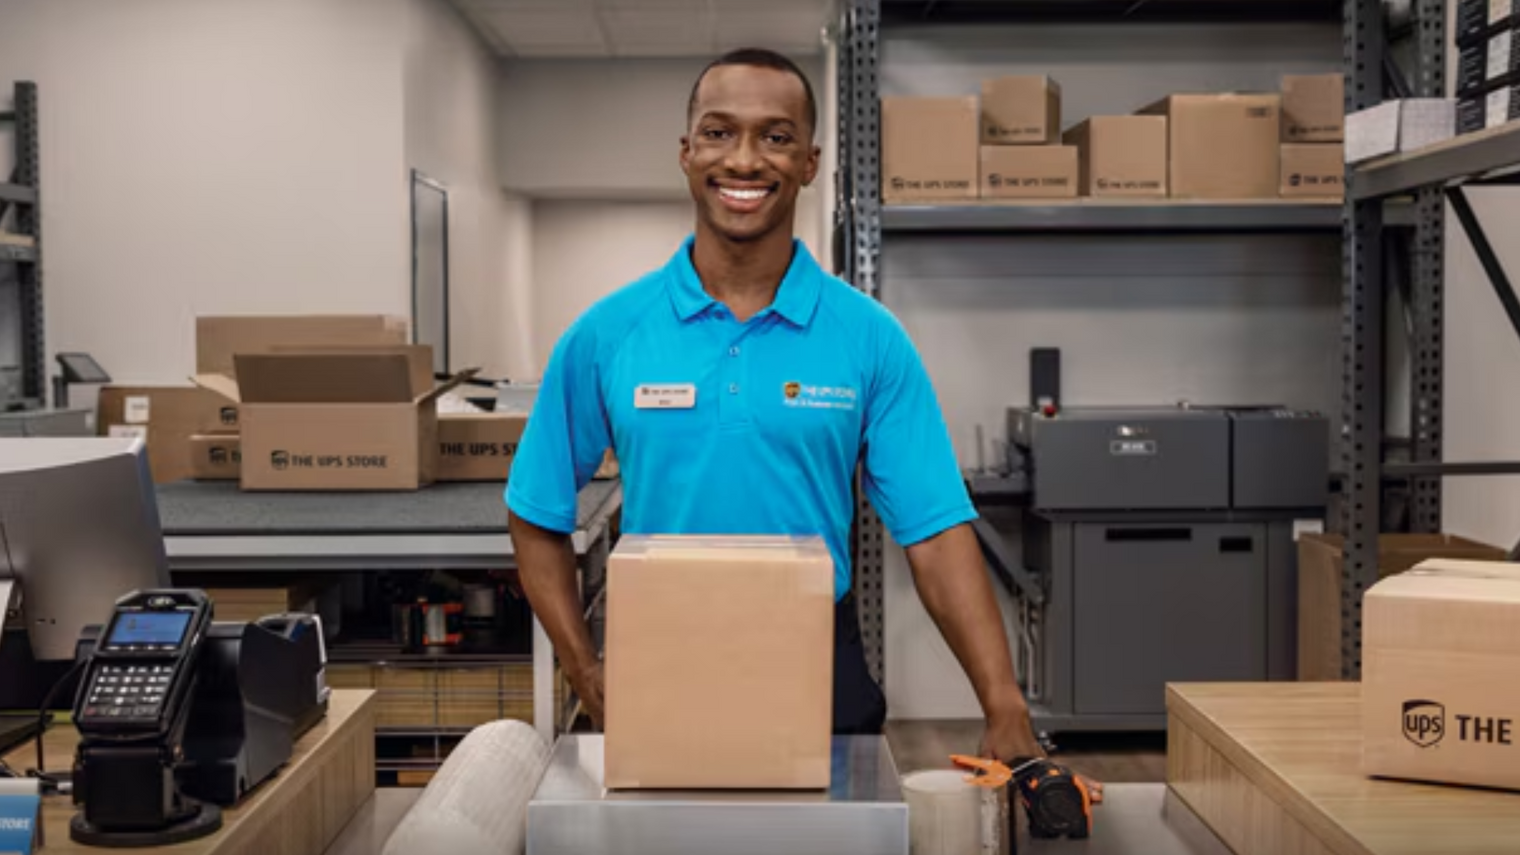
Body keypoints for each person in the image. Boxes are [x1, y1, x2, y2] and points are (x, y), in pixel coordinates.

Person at [505, 46, 1101, 800]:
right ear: (687, 153)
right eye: (719, 132)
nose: (744, 159)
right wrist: (587, 672)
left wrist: (1003, 704)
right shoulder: (607, 334)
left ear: (811, 162)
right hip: (664, 658)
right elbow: (535, 511)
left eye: (776, 136)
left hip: (820, 660)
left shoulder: (868, 337)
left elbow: (936, 531)